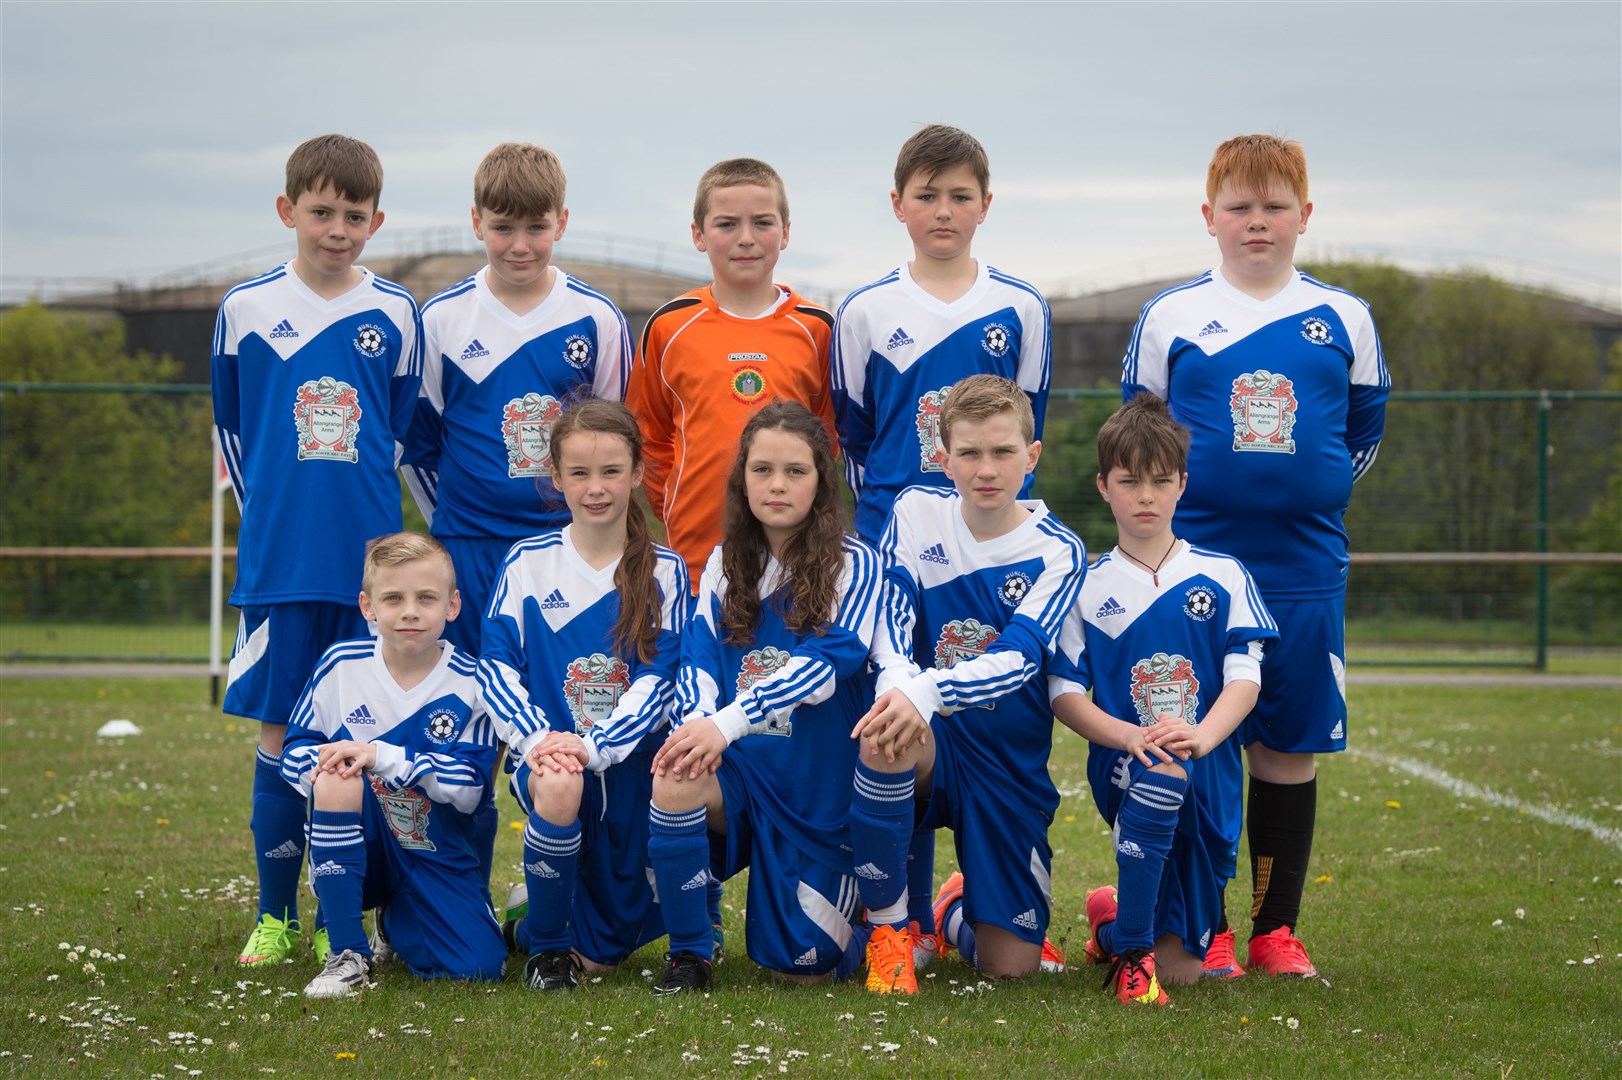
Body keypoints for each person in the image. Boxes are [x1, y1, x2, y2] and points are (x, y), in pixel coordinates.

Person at [1122, 134, 1389, 977]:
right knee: (1197, 740)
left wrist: (1307, 489)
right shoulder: (1171, 317)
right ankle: (1207, 928)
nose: (1258, 222)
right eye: (1239, 207)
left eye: (1276, 206)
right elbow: (1143, 438)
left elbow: (1361, 432)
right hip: (1197, 568)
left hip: (1304, 566)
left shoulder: (1344, 318)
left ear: (1305, 215)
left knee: (1287, 747)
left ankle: (1275, 929)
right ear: (1210, 218)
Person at [830, 125, 1051, 960]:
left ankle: (977, 904)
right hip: (896, 540)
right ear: (898, 206)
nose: (944, 210)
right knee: (896, 714)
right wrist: (895, 520)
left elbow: (1023, 420)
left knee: (988, 718)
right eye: (926, 195)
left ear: (986, 206)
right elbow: (856, 436)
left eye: (961, 195)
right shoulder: (864, 310)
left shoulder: (1020, 306)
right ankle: (907, 918)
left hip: (988, 550)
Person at [212, 134, 422, 967]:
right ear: (287, 210)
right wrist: (269, 514)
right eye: (322, 211)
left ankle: (378, 910)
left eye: (354, 215)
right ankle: (275, 916)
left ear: (376, 220)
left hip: (371, 567)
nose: (337, 228)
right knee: (276, 732)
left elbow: (400, 435)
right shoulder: (246, 308)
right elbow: (233, 430)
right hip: (280, 561)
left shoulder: (396, 312)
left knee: (375, 732)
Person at [849, 374, 1085, 993]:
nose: (987, 469)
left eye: (1003, 452)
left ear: (1031, 457)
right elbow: (890, 611)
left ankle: (954, 910)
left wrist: (927, 690)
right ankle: (893, 935)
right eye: (971, 453)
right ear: (944, 457)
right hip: (930, 738)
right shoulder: (913, 511)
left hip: (1006, 762)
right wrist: (903, 686)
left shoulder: (1059, 550)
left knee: (1011, 969)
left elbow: (1022, 655)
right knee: (883, 735)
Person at [1048, 395, 1278, 1006]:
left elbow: (1245, 678)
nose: (1144, 495)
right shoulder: (1086, 586)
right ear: (1103, 486)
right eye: (1129, 481)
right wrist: (1125, 735)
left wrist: (1204, 735)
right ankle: (1132, 953)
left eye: (1160, 480)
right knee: (1159, 785)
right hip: (1130, 765)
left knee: (1185, 972)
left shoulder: (1225, 574)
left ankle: (1113, 918)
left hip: (1209, 766)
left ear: (1182, 484)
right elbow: (1064, 692)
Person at [646, 402, 880, 995]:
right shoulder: (727, 562)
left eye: (796, 471)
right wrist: (700, 728)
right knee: (674, 775)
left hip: (816, 796)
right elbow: (700, 656)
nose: (777, 485)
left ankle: (878, 920)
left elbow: (830, 664)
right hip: (744, 779)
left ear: (822, 481)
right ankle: (690, 952)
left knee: (799, 969)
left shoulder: (858, 565)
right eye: (762, 469)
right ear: (742, 478)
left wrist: (726, 723)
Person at [476, 399, 689, 991]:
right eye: (579, 473)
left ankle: (532, 914)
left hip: (626, 769)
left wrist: (595, 747)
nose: (595, 488)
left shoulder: (667, 571)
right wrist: (543, 744)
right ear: (556, 477)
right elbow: (494, 671)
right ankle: (546, 951)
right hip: (550, 764)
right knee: (562, 785)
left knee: (604, 952)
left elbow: (660, 681)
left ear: (638, 473)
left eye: (610, 471)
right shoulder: (527, 563)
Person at [402, 141, 631, 657]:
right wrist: (458, 517)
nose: (520, 245)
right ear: (477, 222)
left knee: (558, 706)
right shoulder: (440, 319)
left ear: (562, 222)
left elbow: (616, 445)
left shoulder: (597, 319)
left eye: (536, 228)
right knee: (471, 702)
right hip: (468, 546)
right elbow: (420, 444)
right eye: (503, 227)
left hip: (565, 546)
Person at [280, 532, 504, 998]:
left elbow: (470, 789)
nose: (409, 611)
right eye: (393, 598)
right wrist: (334, 766)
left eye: (426, 598)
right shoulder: (340, 666)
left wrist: (383, 756)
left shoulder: (473, 682)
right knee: (338, 778)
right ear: (368, 606)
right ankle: (346, 954)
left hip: (436, 848)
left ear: (453, 605)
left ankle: (398, 920)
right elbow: (294, 752)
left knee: (479, 967)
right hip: (361, 837)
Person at [627, 158, 837, 587]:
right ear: (698, 235)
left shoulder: (816, 328)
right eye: (726, 224)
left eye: (762, 222)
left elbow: (828, 437)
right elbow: (649, 436)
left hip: (792, 559)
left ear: (786, 232)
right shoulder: (669, 326)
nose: (746, 239)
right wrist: (675, 504)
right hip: (694, 560)